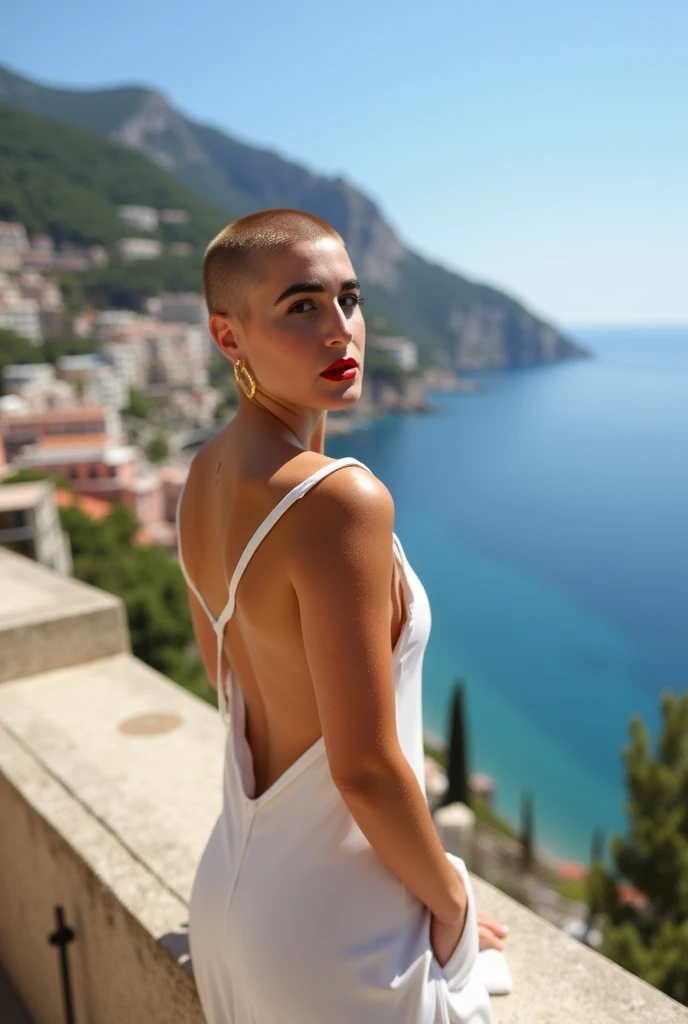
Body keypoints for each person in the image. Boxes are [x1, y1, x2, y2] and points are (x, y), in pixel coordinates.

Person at [177, 208, 508, 1023]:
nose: (340, 330)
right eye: (301, 306)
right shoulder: (340, 500)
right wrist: (452, 903)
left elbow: (233, 684)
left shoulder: (203, 477)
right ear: (230, 337)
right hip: (334, 939)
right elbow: (361, 764)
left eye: (349, 299)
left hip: (230, 899)